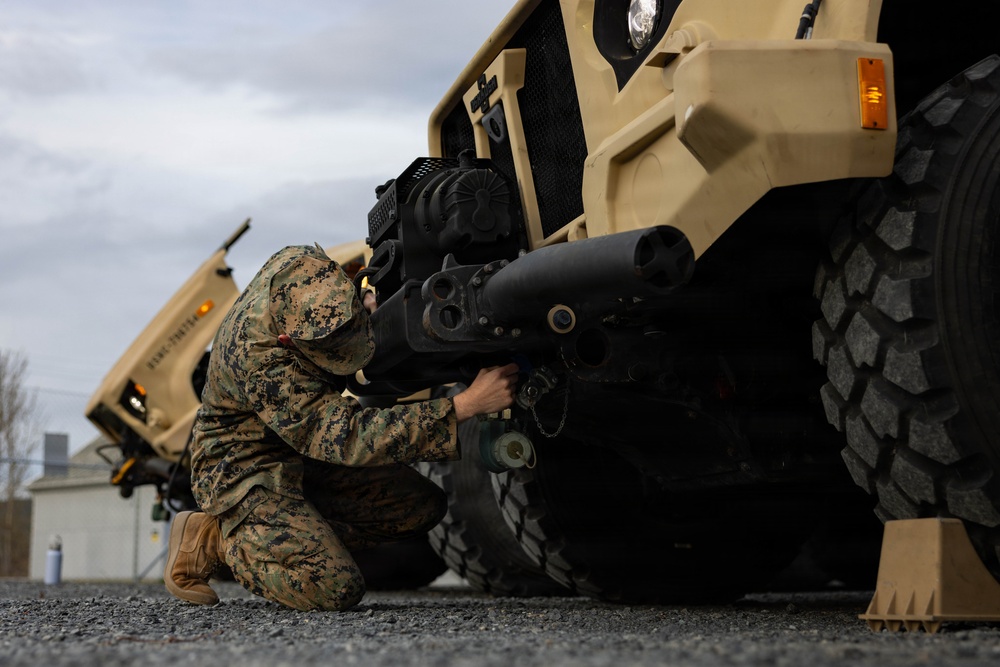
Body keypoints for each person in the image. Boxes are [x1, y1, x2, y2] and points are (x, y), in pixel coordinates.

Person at [164, 243, 518, 610]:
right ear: (288, 339)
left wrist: (360, 303)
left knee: (418, 505)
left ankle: (290, 535)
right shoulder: (264, 366)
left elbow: (341, 286)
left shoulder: (303, 266)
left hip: (295, 453)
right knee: (333, 587)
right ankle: (217, 540)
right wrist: (465, 405)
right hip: (242, 469)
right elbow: (348, 436)